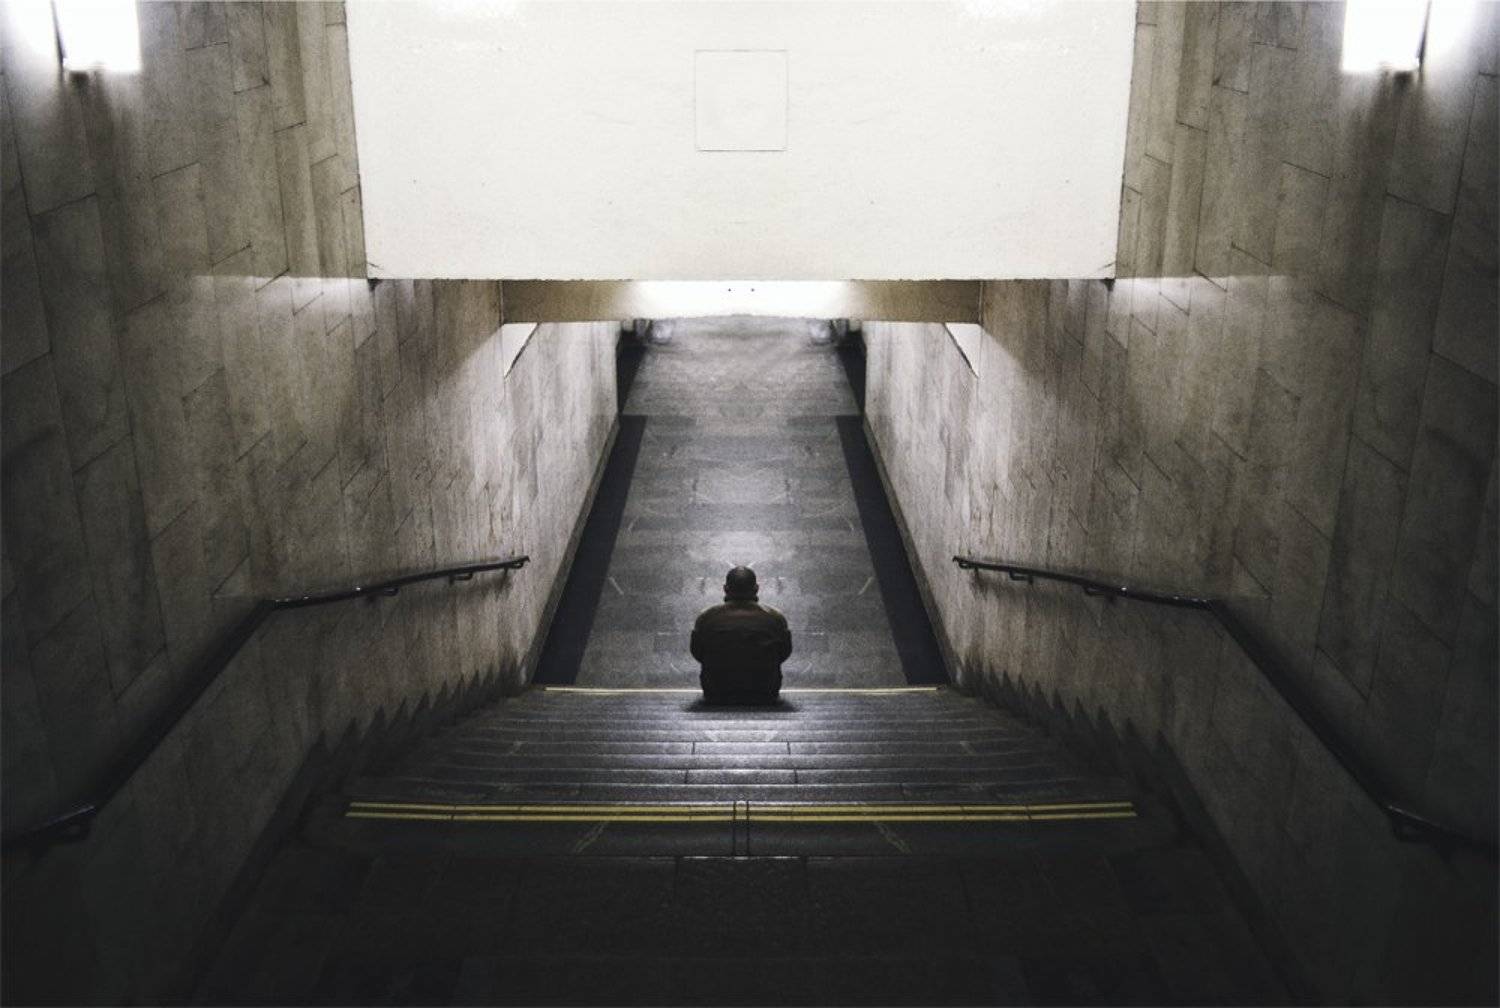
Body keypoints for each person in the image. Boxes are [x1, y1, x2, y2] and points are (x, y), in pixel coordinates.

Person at [690, 566, 792, 704]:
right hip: (764, 691)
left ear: (725, 589)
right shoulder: (775, 617)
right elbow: (784, 652)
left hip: (717, 691)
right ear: (756, 588)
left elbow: (697, 651)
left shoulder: (706, 617)